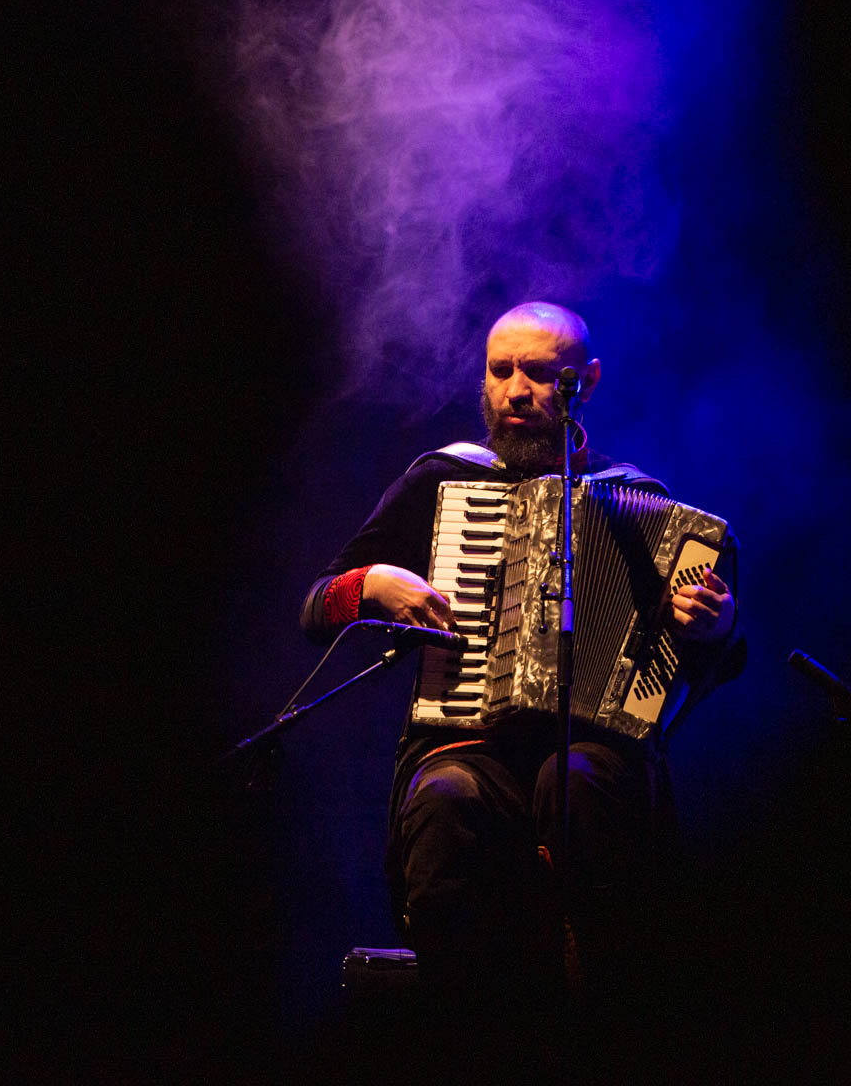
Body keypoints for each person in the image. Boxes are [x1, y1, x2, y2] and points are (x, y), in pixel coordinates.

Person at [299, 302, 745, 1015]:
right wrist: (375, 584)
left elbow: (700, 671)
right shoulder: (440, 481)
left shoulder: (636, 500)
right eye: (499, 370)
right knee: (446, 795)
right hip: (465, 743)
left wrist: (713, 628)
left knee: (577, 780)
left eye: (539, 374)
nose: (515, 390)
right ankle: (462, 1027)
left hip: (591, 752)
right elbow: (316, 606)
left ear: (585, 382)